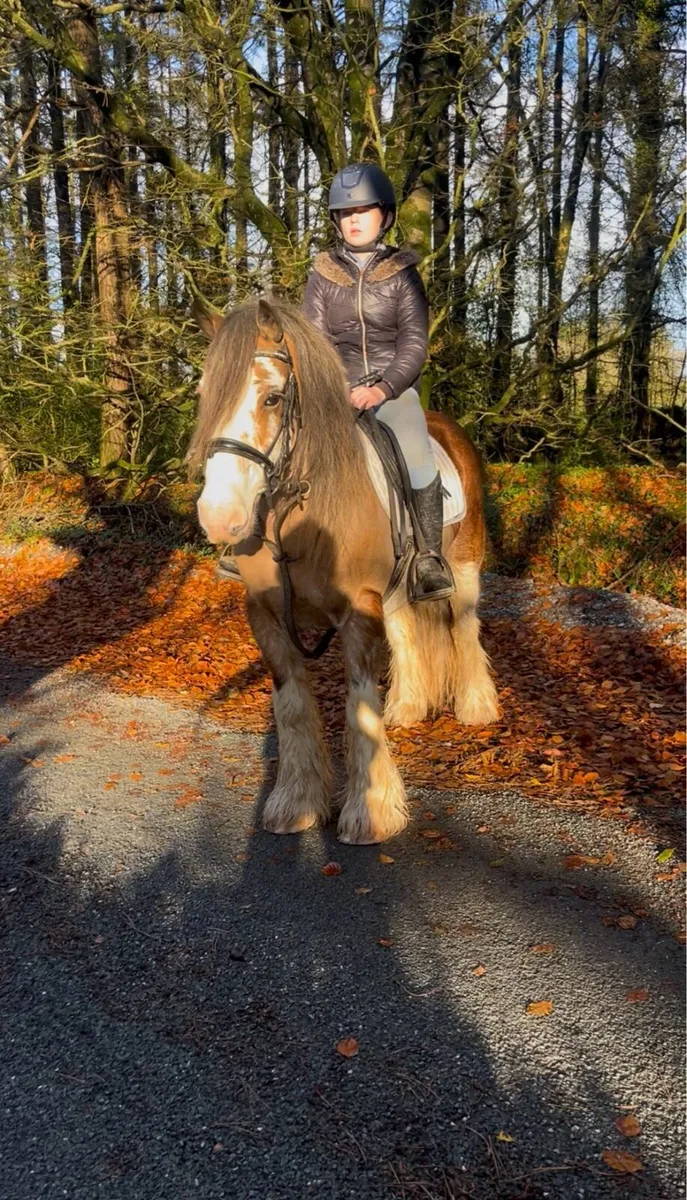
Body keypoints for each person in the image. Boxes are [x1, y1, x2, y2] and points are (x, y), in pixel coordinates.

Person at [302, 162, 454, 602]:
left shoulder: (403, 273)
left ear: (384, 216)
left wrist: (382, 388)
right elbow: (315, 341)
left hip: (391, 389)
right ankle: (255, 538)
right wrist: (335, 388)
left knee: (415, 448)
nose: (353, 220)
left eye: (363, 211)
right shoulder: (322, 274)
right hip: (336, 390)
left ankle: (428, 556)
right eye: (345, 213)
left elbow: (414, 343)